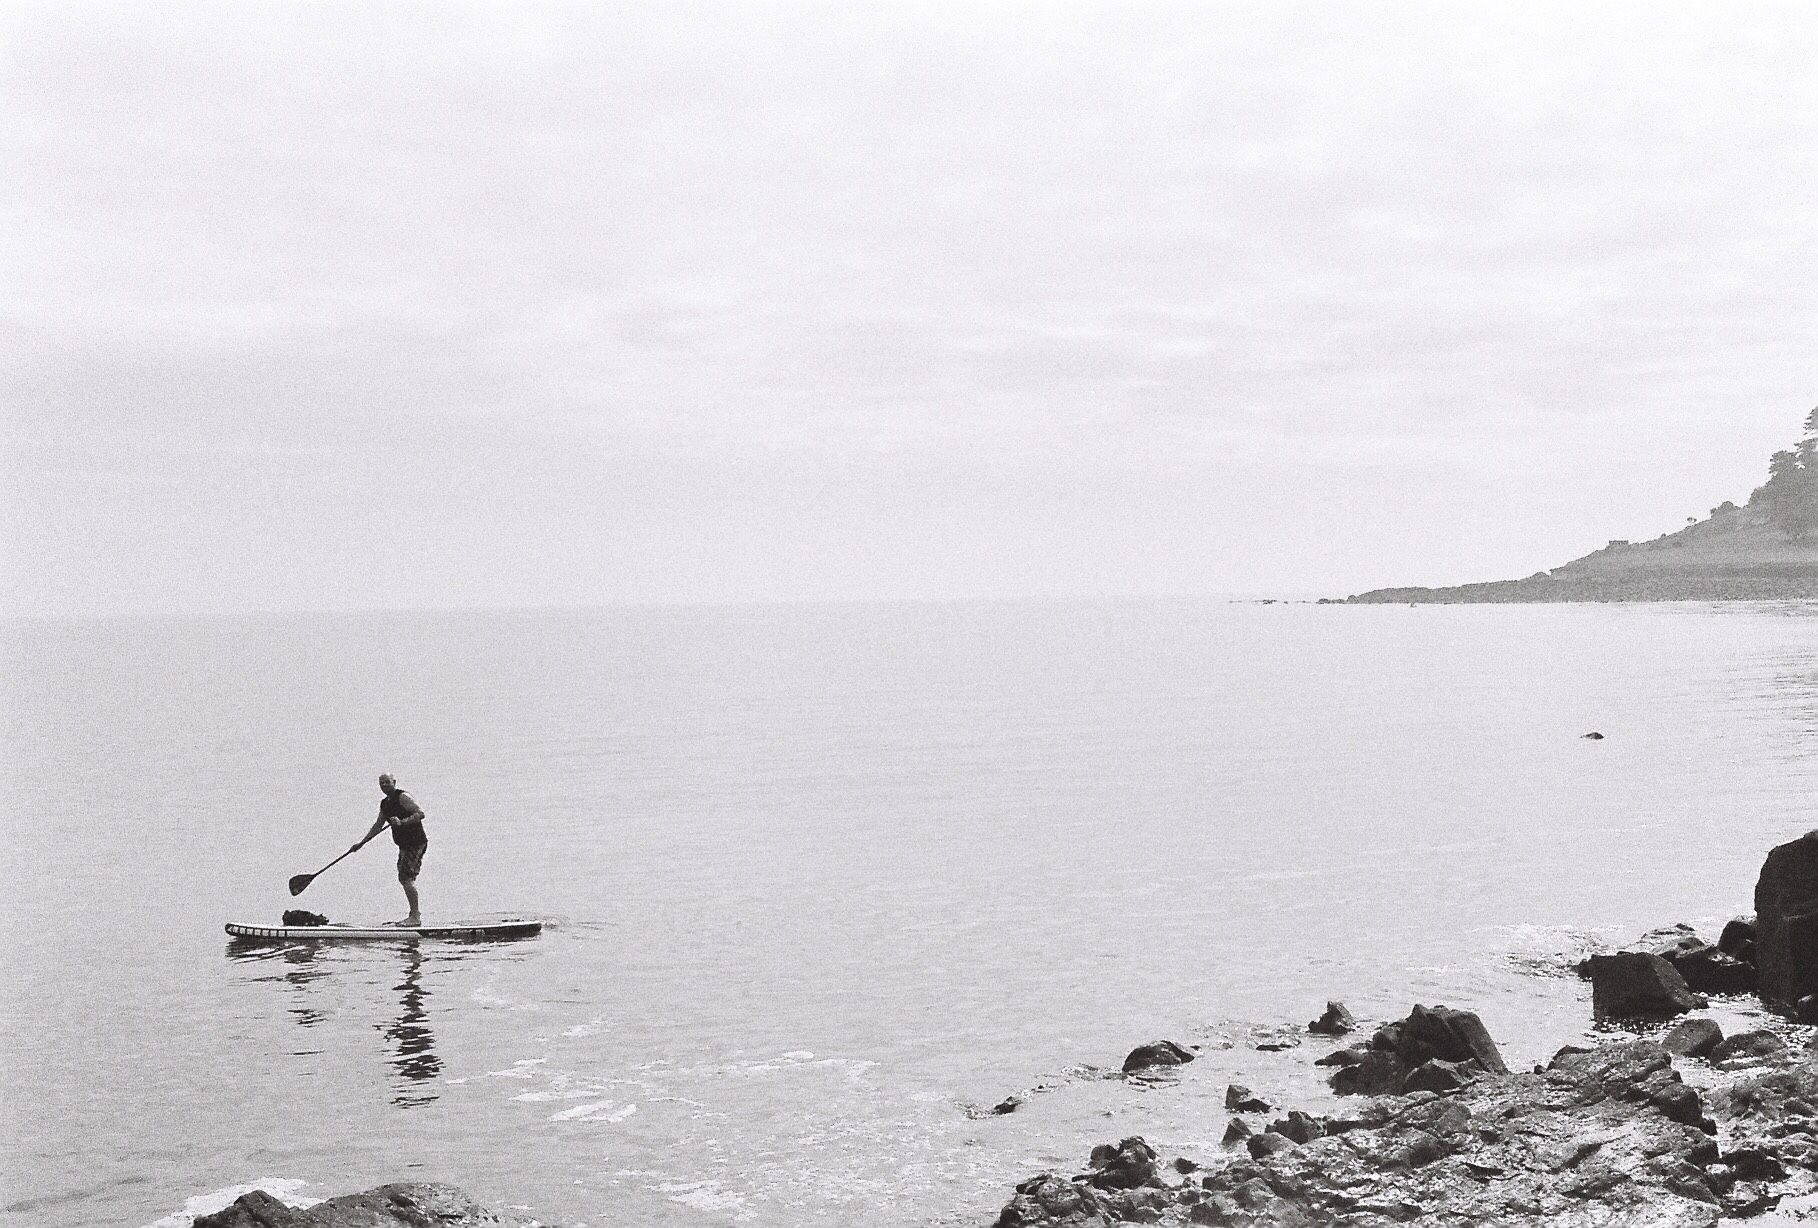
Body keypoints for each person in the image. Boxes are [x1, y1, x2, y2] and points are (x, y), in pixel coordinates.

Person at [352, 773, 429, 926]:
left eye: (387, 782)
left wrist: (402, 822)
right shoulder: (385, 804)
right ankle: (413, 916)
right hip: (404, 845)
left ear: (394, 782)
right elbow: (378, 825)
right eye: (382, 783)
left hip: (416, 843)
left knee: (406, 878)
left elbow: (420, 814)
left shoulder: (403, 797)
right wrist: (361, 843)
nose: (384, 785)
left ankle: (415, 917)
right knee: (404, 878)